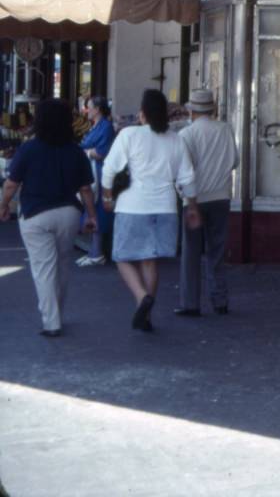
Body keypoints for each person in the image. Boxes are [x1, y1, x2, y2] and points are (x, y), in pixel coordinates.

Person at [101, 89, 200, 332]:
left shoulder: (129, 135)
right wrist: (193, 207)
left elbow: (109, 169)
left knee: (122, 257)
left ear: (143, 113)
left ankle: (141, 296)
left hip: (132, 206)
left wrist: (106, 196)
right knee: (150, 260)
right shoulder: (176, 139)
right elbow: (187, 178)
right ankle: (145, 314)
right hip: (165, 208)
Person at [0, 99, 100, 337]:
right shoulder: (75, 151)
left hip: (35, 214)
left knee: (44, 268)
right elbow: (86, 188)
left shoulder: (29, 149)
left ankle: (51, 321)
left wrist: (3, 205)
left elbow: (12, 184)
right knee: (62, 265)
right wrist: (92, 216)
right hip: (69, 214)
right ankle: (58, 312)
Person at [175, 88, 237, 317]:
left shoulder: (186, 135)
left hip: (194, 199)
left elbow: (183, 170)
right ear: (212, 108)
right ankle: (220, 300)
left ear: (191, 110)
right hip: (220, 198)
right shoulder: (226, 129)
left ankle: (190, 303)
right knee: (217, 251)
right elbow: (235, 161)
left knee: (191, 252)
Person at [77, 95, 116, 267]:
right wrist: (90, 151)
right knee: (91, 209)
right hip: (93, 173)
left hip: (101, 175)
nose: (87, 111)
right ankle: (94, 251)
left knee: (98, 211)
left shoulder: (106, 127)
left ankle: (98, 253)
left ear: (98, 109)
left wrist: (88, 152)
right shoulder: (96, 126)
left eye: (89, 107)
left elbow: (101, 152)